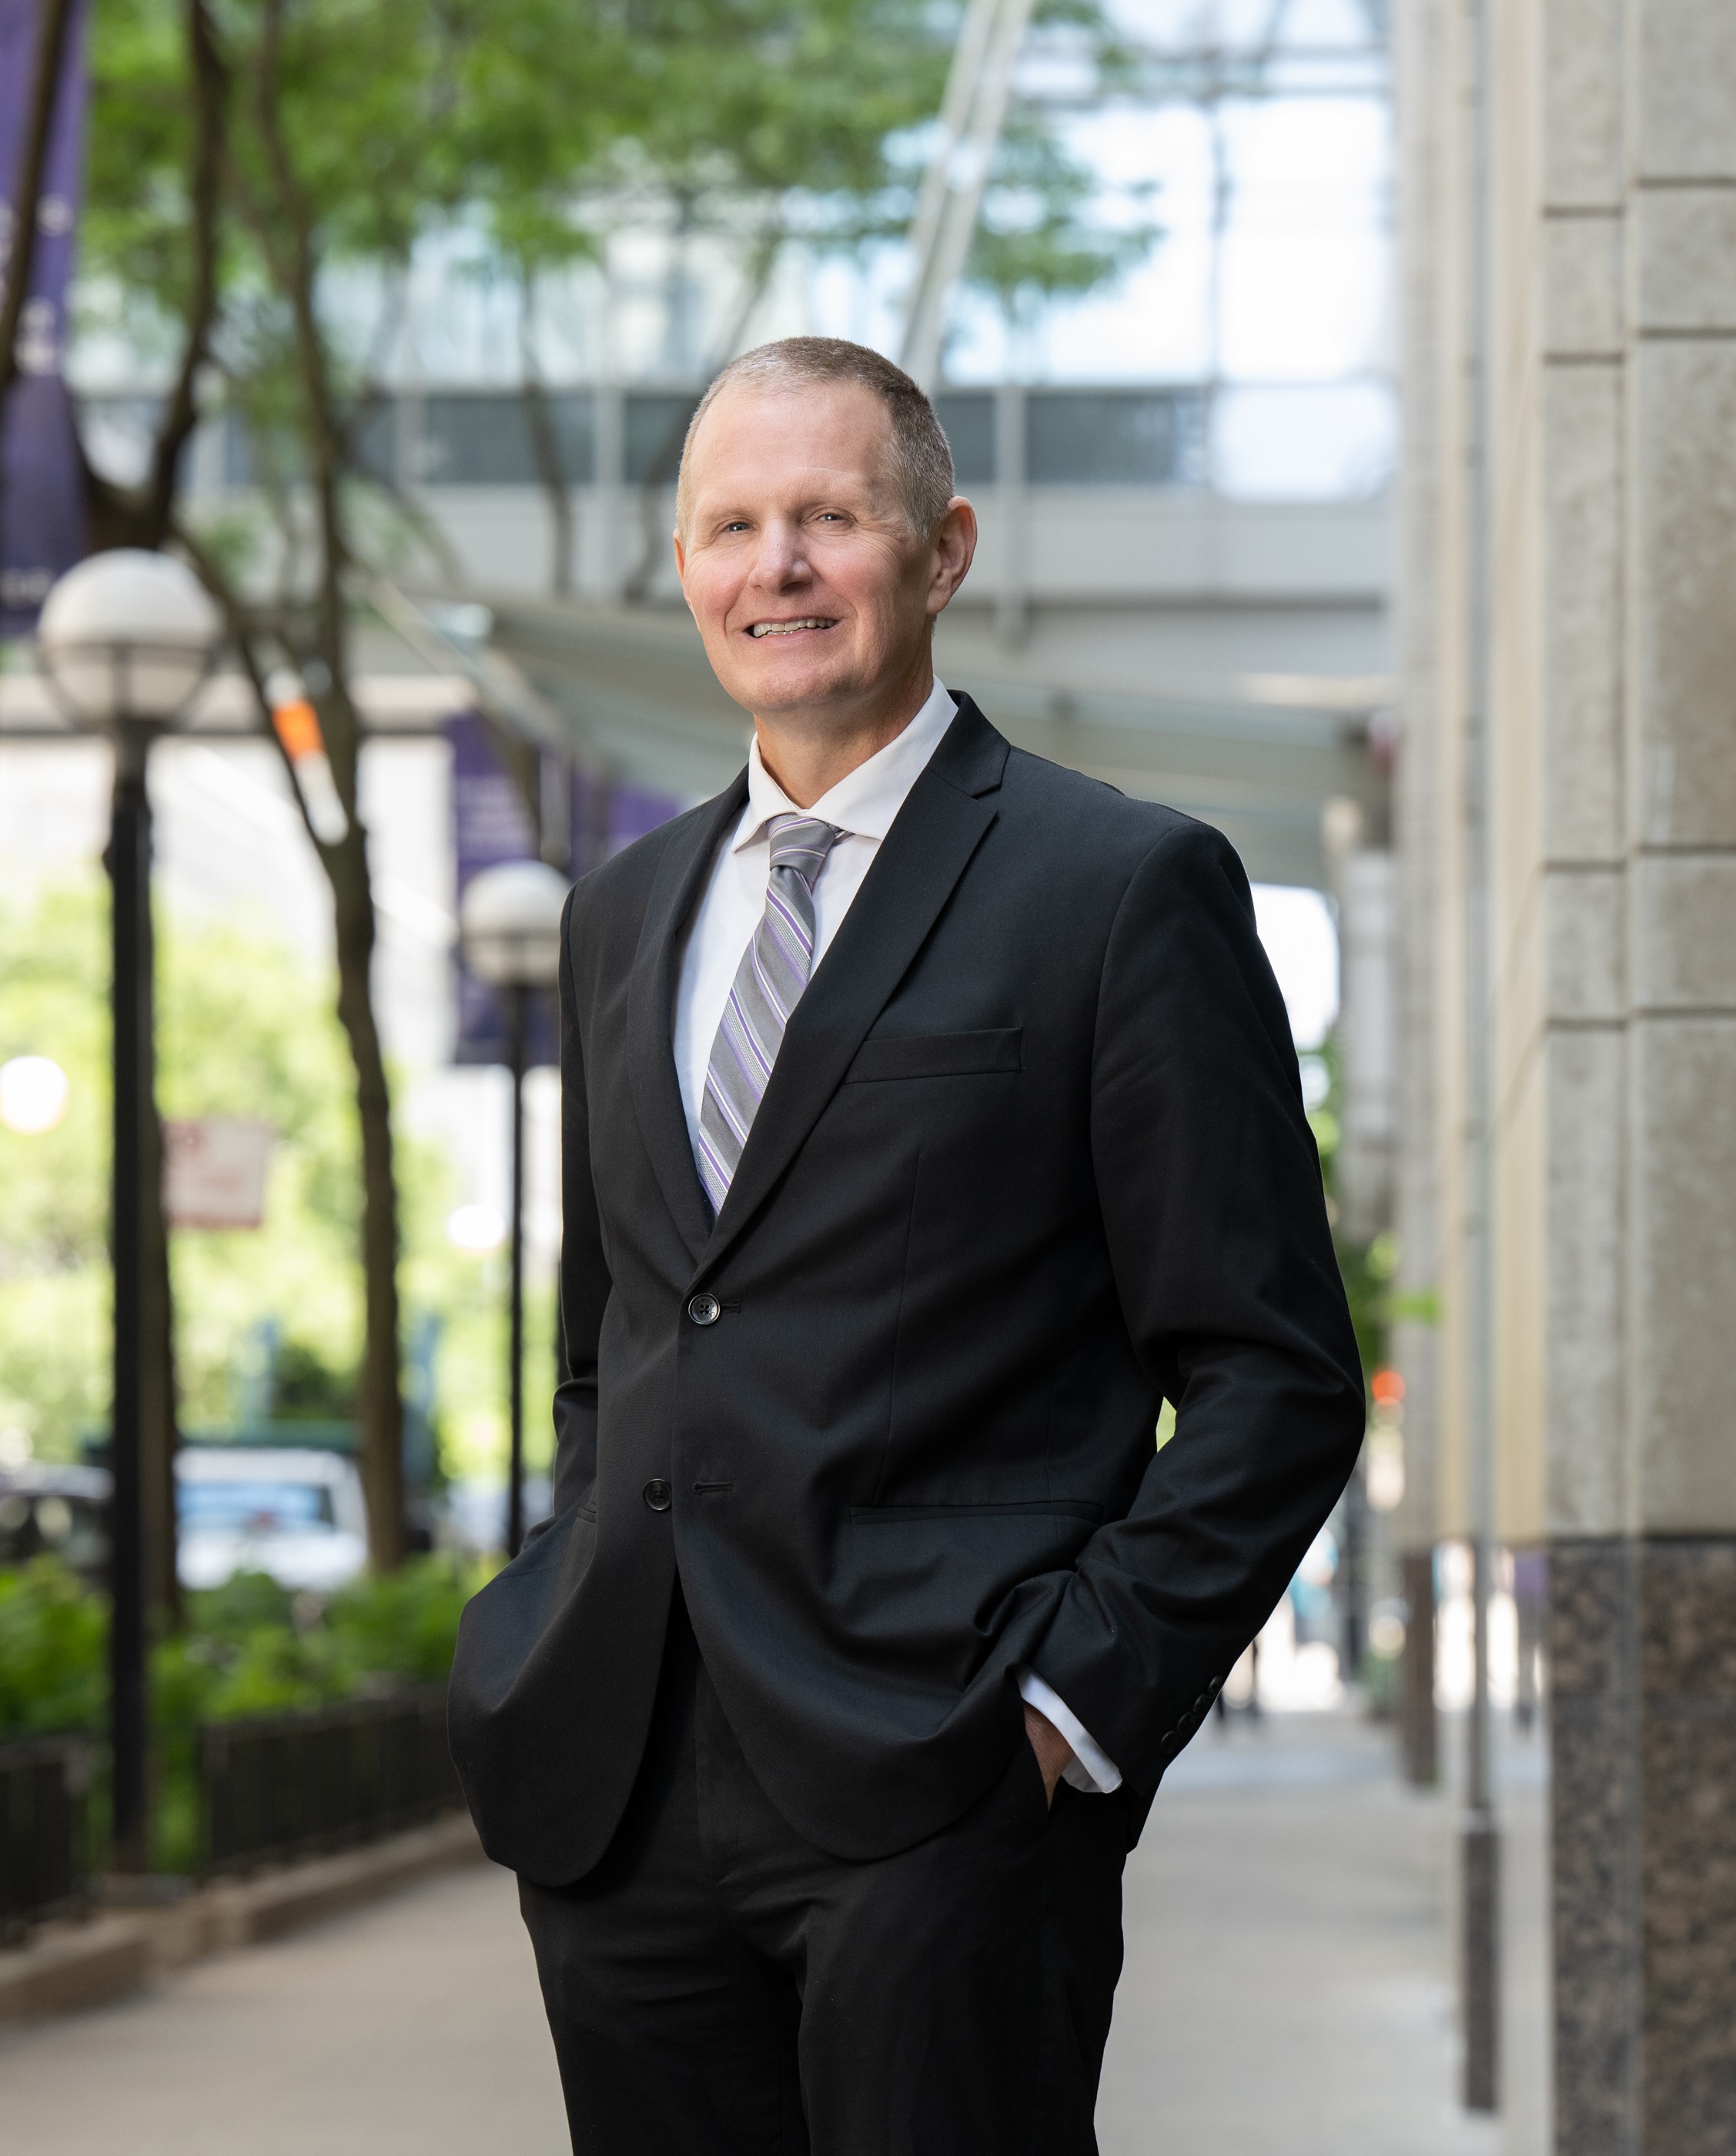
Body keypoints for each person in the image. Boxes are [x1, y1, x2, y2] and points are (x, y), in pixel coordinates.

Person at [448, 336, 1364, 2154]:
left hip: (949, 1776)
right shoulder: (620, 912)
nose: (772, 565)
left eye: (827, 517)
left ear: (941, 550)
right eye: (730, 524)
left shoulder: (1119, 884)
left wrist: (1067, 1704)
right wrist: (561, 1597)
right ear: (687, 566)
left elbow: (1274, 1375)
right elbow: (613, 1335)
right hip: (625, 1790)